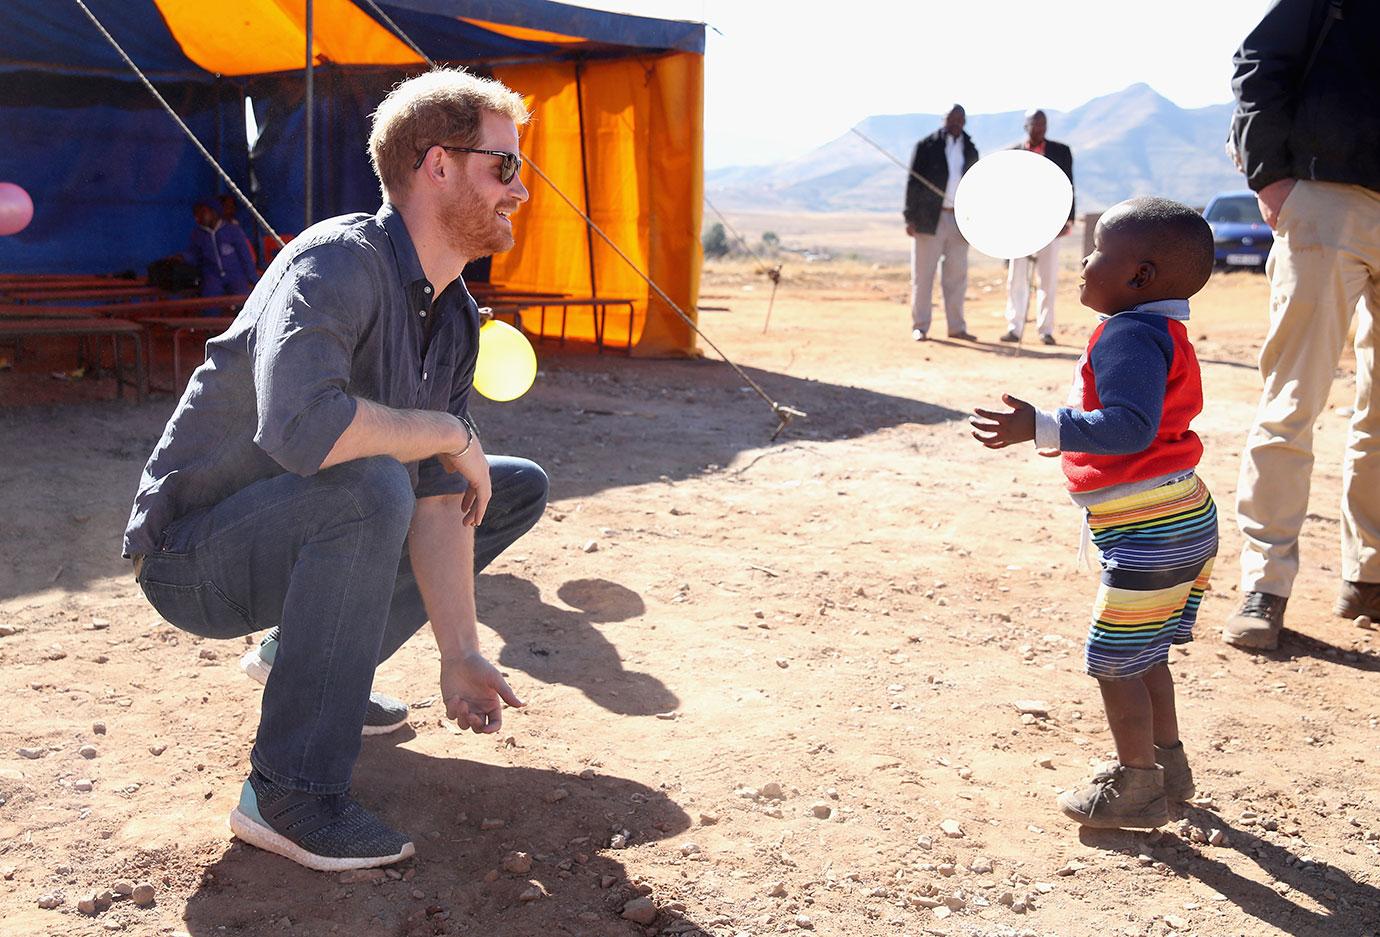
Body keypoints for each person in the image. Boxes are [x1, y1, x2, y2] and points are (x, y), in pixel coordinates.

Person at [123, 68, 549, 871]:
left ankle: (308, 664)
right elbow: (302, 428)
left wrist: (459, 651)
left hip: (292, 537)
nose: (519, 190)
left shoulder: (453, 311)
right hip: (192, 558)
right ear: (437, 165)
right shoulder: (335, 263)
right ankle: (288, 792)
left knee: (504, 483)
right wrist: (444, 429)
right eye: (506, 166)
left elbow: (438, 490)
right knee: (372, 482)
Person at [971, 198, 1218, 829]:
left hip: (1152, 529)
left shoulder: (1131, 334)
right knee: (1148, 652)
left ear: (1139, 277)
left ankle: (1137, 787)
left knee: (1114, 660)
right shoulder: (1159, 330)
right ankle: (1169, 767)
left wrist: (1041, 425)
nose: (1082, 261)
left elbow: (1130, 428)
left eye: (1097, 250)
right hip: (1178, 515)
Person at [1222, 0, 1380, 650]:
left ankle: (1369, 575)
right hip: (1325, 199)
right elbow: (1260, 61)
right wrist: (1271, 175)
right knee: (1294, 398)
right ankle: (1266, 584)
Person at [903, 104, 979, 342]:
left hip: (961, 220)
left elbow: (978, 187)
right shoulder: (926, 146)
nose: (955, 123)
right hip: (929, 219)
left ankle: (957, 327)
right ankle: (920, 326)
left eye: (959, 119)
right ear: (943, 120)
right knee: (923, 275)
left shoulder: (971, 149)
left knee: (957, 276)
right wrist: (910, 217)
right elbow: (912, 183)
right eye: (951, 118)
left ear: (964, 121)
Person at [1000, 110, 1074, 347]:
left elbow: (1069, 185)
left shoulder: (1061, 152)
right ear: (1027, 126)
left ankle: (1045, 329)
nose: (1040, 129)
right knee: (1016, 278)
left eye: (1043, 125)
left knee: (1047, 279)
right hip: (1018, 226)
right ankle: (1014, 327)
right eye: (1035, 125)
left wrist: (1067, 219)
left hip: (1051, 223)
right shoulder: (1013, 154)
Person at [185, 200, 258, 297]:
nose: (198, 217)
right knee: (210, 302)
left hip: (235, 275)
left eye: (203, 213)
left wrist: (253, 279)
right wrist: (182, 258)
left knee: (243, 298)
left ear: (214, 212)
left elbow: (245, 256)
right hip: (212, 277)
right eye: (196, 214)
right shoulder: (197, 235)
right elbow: (193, 255)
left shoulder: (232, 230)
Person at [218, 193, 259, 265]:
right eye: (227, 207)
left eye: (232, 206)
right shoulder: (216, 230)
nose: (230, 209)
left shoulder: (236, 225)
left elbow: (249, 255)